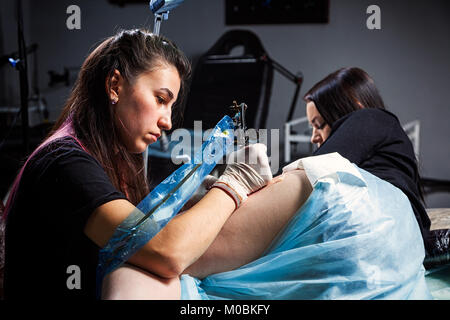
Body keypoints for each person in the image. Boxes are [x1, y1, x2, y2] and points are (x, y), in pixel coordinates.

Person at [1, 28, 280, 299]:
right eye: (160, 99)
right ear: (115, 85)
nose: (167, 122)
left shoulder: (102, 157)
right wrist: (234, 184)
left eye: (170, 106)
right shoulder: (65, 163)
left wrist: (194, 205)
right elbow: (166, 253)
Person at [295, 67, 449, 268]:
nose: (314, 136)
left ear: (356, 109)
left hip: (388, 232)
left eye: (320, 124)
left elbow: (311, 169)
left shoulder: (371, 117)